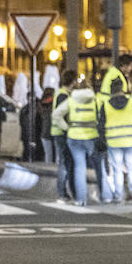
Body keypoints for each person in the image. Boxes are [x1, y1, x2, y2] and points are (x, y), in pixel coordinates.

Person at [53, 75, 97, 208]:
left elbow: (57, 114)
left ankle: (77, 196)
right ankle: (64, 193)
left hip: (68, 134)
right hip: (77, 134)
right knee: (67, 165)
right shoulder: (65, 96)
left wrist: (67, 128)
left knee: (74, 166)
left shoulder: (65, 96)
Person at [101, 78, 132, 204]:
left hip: (114, 142)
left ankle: (118, 196)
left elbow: (101, 123)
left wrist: (102, 140)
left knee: (117, 169)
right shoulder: (131, 102)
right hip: (130, 140)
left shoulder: (106, 104)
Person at [50, 71, 76, 202]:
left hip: (58, 133)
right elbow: (61, 116)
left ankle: (64, 192)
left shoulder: (60, 93)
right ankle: (62, 192)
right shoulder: (63, 96)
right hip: (62, 134)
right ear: (72, 82)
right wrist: (68, 129)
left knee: (64, 163)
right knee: (64, 164)